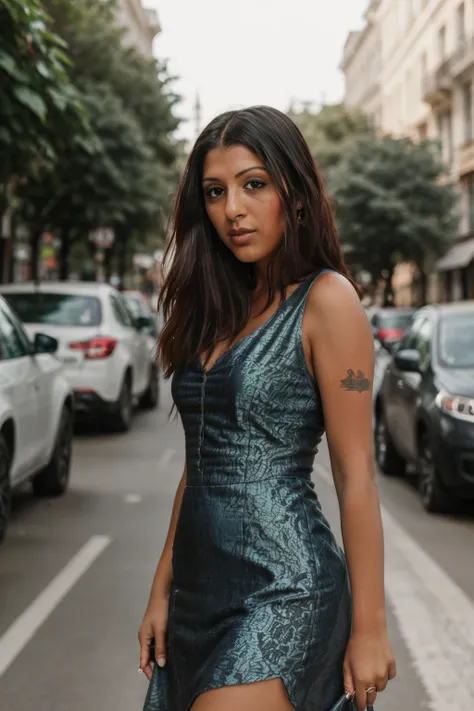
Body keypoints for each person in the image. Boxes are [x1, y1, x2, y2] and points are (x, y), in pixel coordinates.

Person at [138, 106, 396, 711]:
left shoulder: (328, 300)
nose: (232, 208)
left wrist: (370, 626)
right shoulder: (217, 306)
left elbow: (356, 475)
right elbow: (199, 464)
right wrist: (161, 589)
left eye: (254, 184)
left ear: (294, 194)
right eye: (215, 191)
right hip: (197, 594)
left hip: (285, 590)